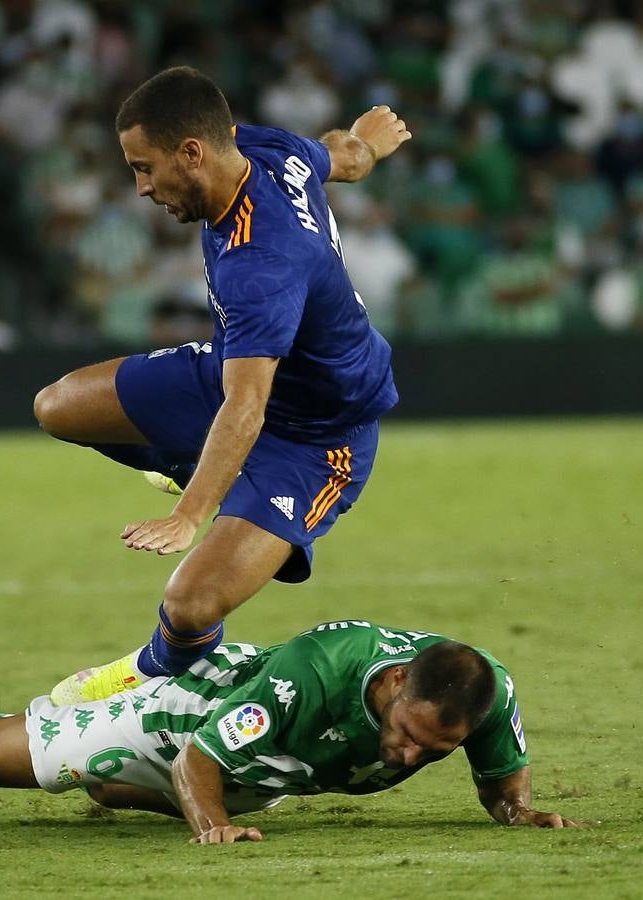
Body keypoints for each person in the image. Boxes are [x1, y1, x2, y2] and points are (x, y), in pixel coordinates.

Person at [0, 491, 577, 843]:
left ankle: (89, 754)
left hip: (262, 757)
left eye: (433, 752)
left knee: (113, 784)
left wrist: (518, 811)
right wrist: (210, 825)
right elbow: (201, 757)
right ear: (396, 684)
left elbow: (503, 781)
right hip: (185, 718)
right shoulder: (316, 673)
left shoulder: (480, 692)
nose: (409, 756)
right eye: (408, 736)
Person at [31, 67, 412, 704]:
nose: (141, 188)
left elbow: (247, 406)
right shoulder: (269, 149)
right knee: (59, 406)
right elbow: (339, 158)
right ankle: (217, 473)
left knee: (189, 603)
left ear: (192, 153)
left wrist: (189, 517)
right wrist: (366, 140)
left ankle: (156, 669)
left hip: (318, 438)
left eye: (144, 168)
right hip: (239, 370)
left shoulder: (259, 262)